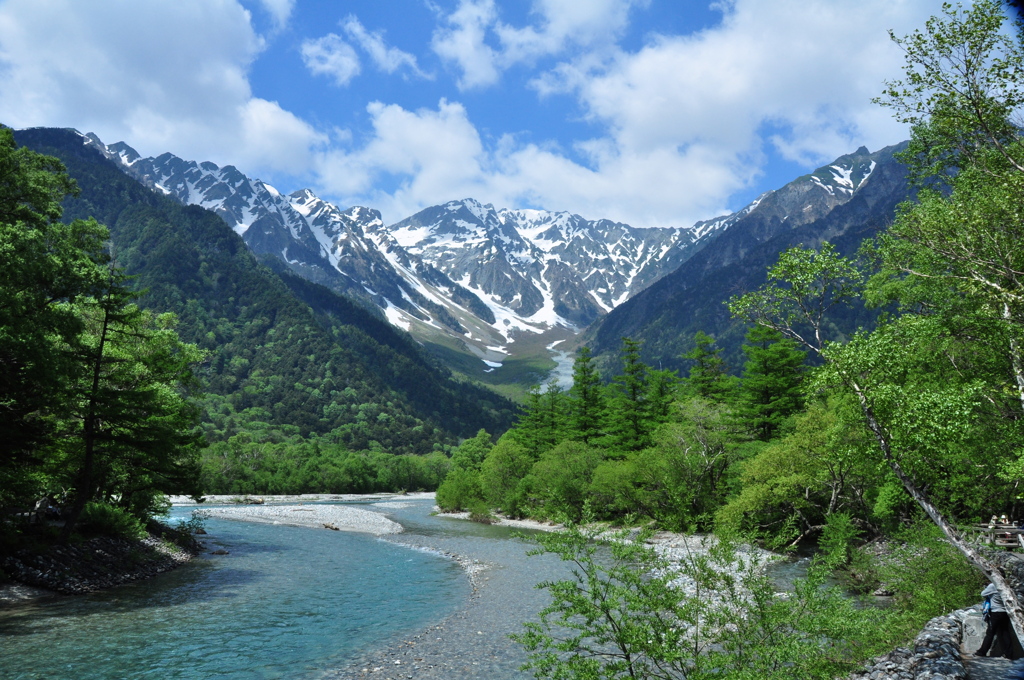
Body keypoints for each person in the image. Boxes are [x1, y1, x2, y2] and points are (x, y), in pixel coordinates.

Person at [978, 582, 1014, 658]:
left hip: (995, 612)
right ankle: (1008, 653)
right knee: (1005, 633)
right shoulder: (1007, 585)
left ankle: (982, 652)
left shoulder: (993, 585)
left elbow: (983, 594)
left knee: (990, 633)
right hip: (1005, 612)